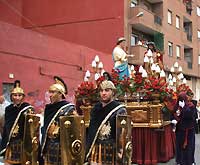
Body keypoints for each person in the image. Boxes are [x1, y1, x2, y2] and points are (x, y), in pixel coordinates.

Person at [85, 80, 127, 164]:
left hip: (111, 149)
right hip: (96, 148)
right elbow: (91, 132)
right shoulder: (96, 109)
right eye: (101, 91)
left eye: (107, 90)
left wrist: (121, 152)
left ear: (113, 92)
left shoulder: (119, 110)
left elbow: (122, 135)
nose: (103, 93)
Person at [40, 76, 77, 165]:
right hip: (49, 146)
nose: (50, 95)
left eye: (53, 92)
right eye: (50, 92)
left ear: (60, 94)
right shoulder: (48, 108)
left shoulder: (69, 108)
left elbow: (74, 130)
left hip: (62, 148)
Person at [0, 80, 34, 164]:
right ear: (11, 97)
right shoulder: (8, 109)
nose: (17, 97)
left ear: (23, 97)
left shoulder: (27, 108)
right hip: (10, 141)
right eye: (15, 95)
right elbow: (6, 126)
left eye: (19, 95)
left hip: (21, 141)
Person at [172, 92, 196, 165]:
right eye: (179, 99)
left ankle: (189, 161)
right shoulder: (176, 106)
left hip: (189, 131)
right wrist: (173, 120)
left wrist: (184, 107)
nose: (181, 101)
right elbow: (173, 114)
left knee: (189, 147)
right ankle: (179, 161)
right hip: (179, 130)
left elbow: (190, 116)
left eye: (182, 99)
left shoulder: (191, 106)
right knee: (179, 146)